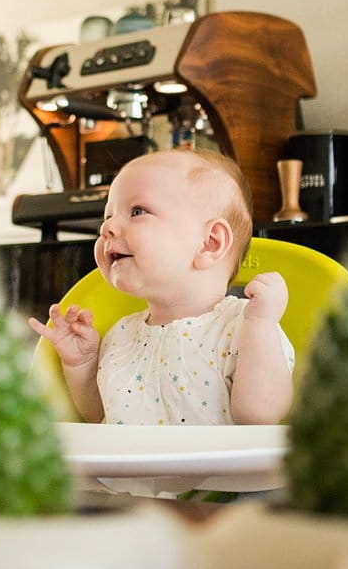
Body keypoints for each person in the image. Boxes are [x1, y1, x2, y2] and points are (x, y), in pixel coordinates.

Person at [31, 149, 294, 425]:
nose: (107, 229)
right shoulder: (119, 335)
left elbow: (260, 417)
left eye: (137, 211)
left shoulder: (245, 326)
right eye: (107, 217)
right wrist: (82, 365)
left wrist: (262, 323)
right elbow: (102, 416)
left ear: (210, 243)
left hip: (215, 471)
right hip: (126, 470)